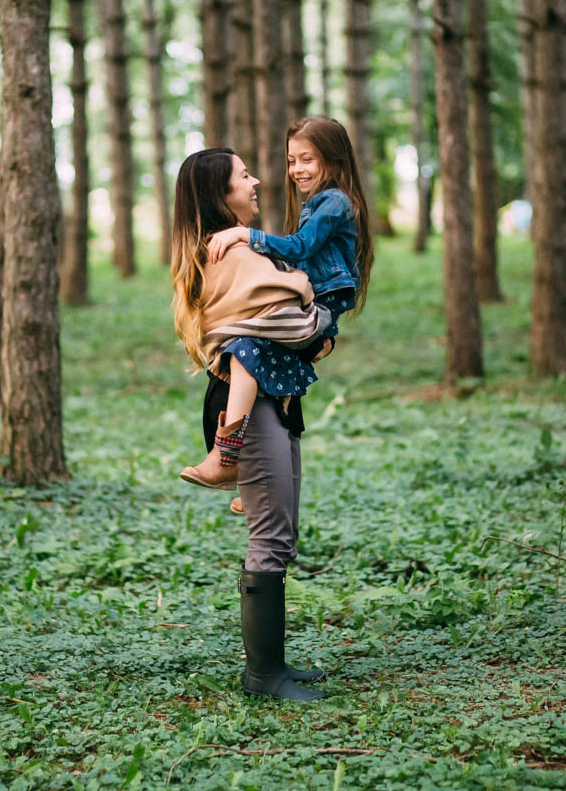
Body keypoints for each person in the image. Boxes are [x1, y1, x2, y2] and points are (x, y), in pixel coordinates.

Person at [169, 146, 329, 701]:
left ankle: (272, 666)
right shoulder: (232, 257)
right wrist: (320, 319)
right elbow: (291, 319)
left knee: (279, 530)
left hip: (271, 397)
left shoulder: (232, 250)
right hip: (251, 404)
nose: (257, 180)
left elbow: (279, 324)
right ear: (221, 193)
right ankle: (263, 675)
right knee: (271, 535)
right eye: (244, 175)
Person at [182, 118, 375, 516]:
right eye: (292, 160)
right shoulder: (317, 203)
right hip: (316, 308)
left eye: (308, 159)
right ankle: (240, 472)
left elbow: (301, 247)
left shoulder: (334, 201)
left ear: (334, 160)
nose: (297, 170)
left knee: (245, 347)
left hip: (321, 304)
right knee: (252, 348)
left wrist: (245, 236)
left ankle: (226, 456)